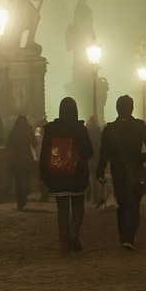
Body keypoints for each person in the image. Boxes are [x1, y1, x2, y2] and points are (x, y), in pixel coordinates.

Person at [95, 94, 146, 250]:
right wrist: (140, 158)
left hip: (117, 171)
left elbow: (104, 154)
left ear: (117, 109)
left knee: (121, 204)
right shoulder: (139, 126)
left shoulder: (110, 129)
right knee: (134, 204)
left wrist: (100, 172)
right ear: (132, 108)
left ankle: (123, 237)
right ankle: (129, 237)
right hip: (135, 169)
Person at [38, 97, 94, 253]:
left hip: (57, 176)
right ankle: (74, 235)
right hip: (77, 175)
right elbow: (89, 151)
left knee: (62, 209)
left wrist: (44, 175)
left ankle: (64, 242)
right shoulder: (79, 129)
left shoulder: (50, 129)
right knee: (77, 206)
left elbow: (44, 155)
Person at [5, 114, 36, 209]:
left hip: (16, 158)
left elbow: (8, 145)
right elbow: (35, 143)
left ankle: (19, 200)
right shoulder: (29, 131)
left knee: (17, 181)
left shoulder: (13, 132)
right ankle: (24, 195)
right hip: (26, 158)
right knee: (26, 179)